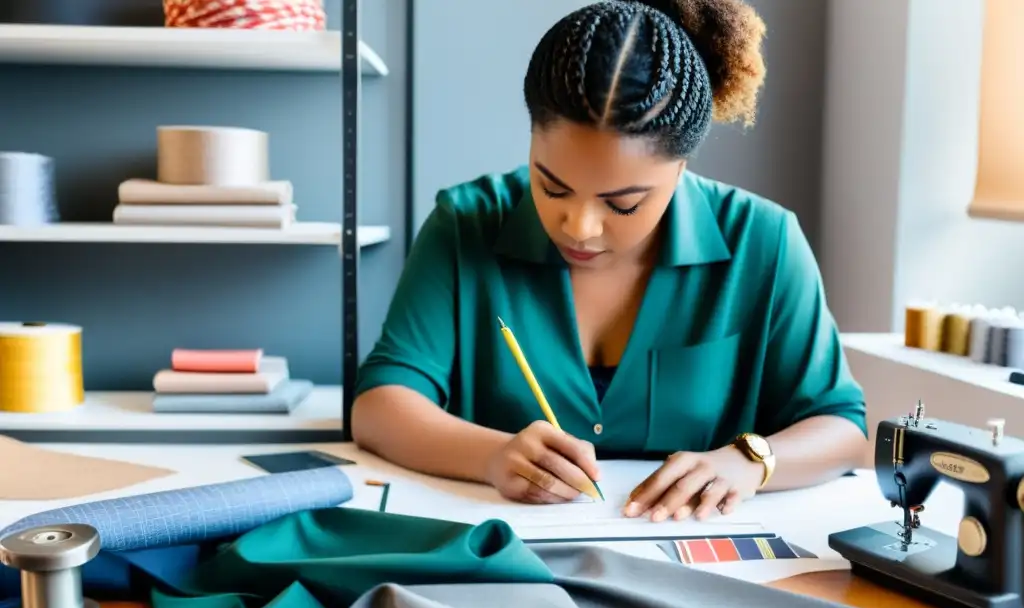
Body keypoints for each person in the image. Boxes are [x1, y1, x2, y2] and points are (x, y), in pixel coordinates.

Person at [351, 0, 868, 522]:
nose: (579, 227)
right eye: (551, 186)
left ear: (682, 165)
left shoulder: (765, 241)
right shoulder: (466, 222)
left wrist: (749, 461)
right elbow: (379, 406)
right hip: (506, 562)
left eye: (623, 202)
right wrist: (489, 455)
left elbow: (841, 426)